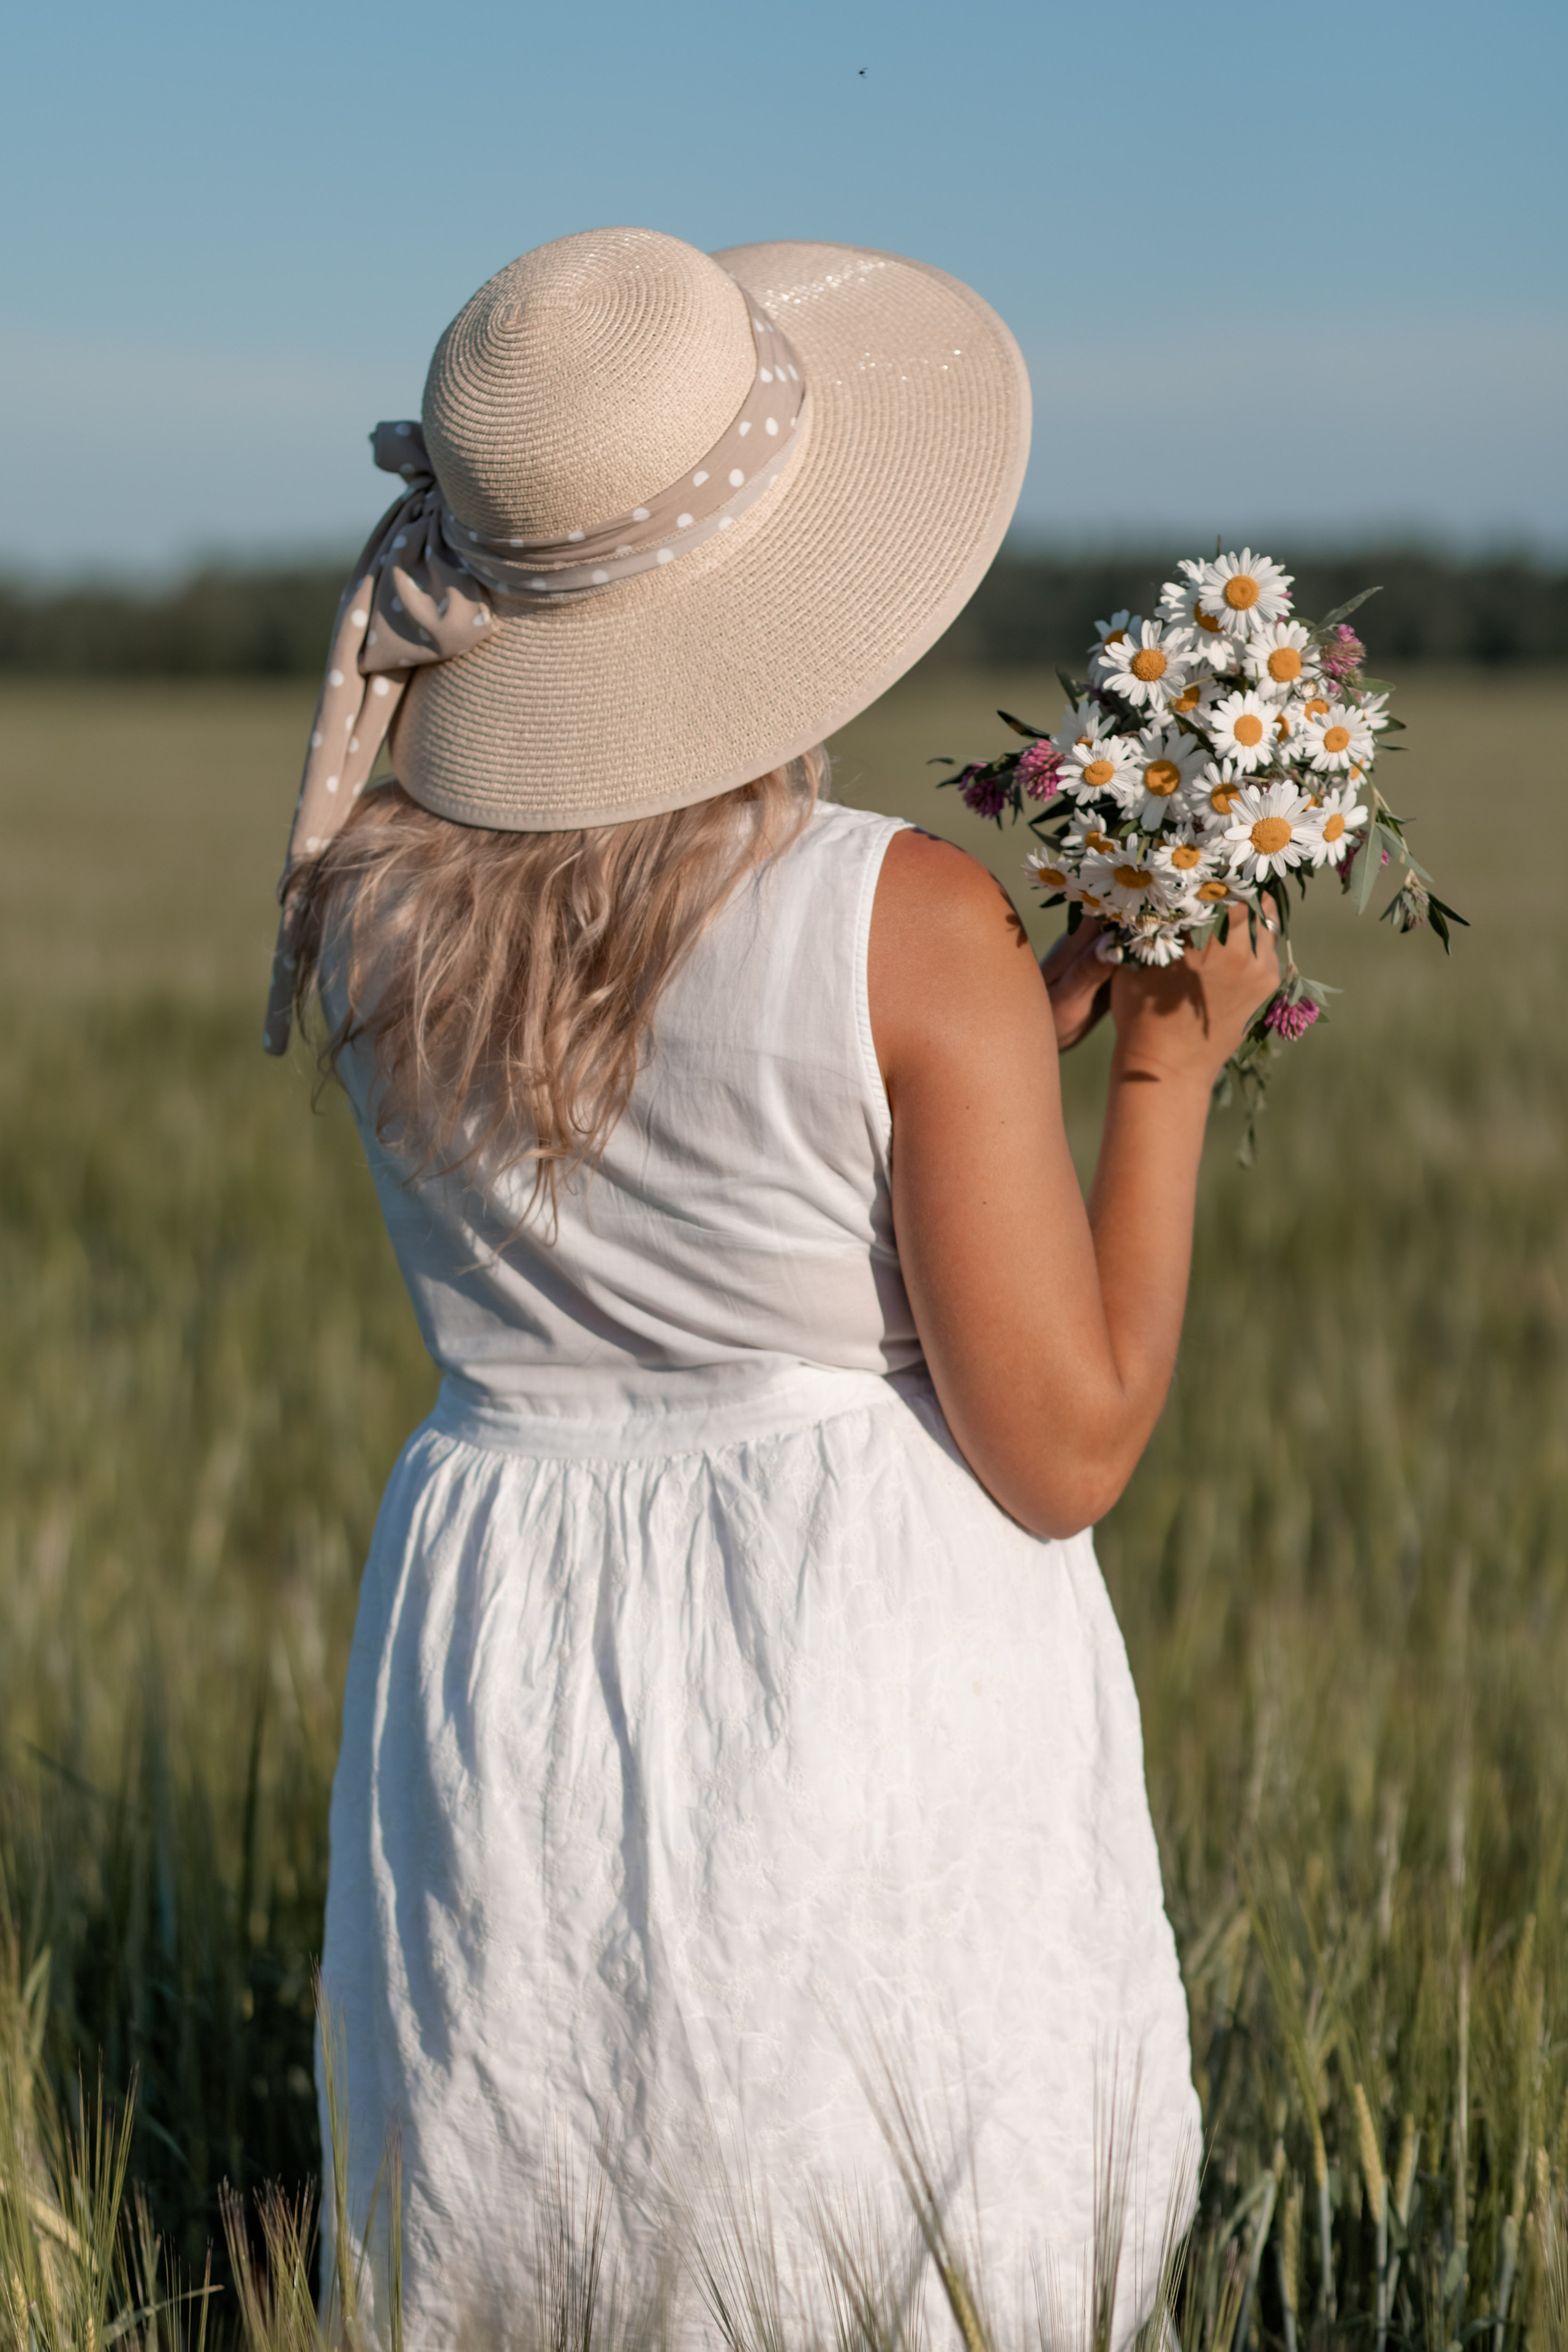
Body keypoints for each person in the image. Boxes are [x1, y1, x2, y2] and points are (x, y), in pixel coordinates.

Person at [273, 225, 1277, 2345]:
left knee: (553, 2184)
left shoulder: (362, 908)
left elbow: (684, 1160)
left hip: (503, 1647)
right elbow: (1066, 1445)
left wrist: (1000, 1037)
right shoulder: (906, 918)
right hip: (827, 1654)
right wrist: (1164, 1068)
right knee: (867, 2215)